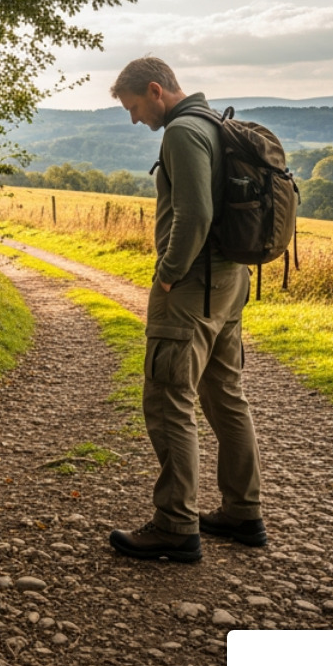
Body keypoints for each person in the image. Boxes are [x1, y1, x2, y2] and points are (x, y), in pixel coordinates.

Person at [106, 57, 267, 561]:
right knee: (224, 395)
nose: (135, 119)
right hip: (229, 283)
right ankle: (243, 513)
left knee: (169, 397)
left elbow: (196, 212)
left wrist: (169, 271)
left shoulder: (181, 132)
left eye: (134, 107)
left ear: (156, 90)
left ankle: (175, 524)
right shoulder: (218, 124)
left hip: (192, 286)